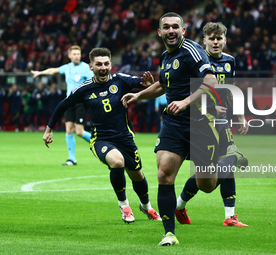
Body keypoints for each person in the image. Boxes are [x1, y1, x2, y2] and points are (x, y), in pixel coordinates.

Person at [122, 12, 228, 246]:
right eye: (166, 27)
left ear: (183, 31)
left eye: (175, 27)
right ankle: (169, 233)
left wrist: (185, 101)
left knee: (206, 185)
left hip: (201, 123)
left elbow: (210, 81)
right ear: (159, 32)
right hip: (174, 123)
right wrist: (138, 95)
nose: (171, 31)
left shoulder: (192, 51)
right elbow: (163, 84)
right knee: (164, 174)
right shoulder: (165, 57)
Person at [43, 47, 161, 223]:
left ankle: (147, 206)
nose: (103, 67)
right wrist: (49, 129)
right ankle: (124, 206)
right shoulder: (83, 89)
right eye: (99, 64)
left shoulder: (120, 80)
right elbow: (63, 105)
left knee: (137, 175)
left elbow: (143, 83)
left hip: (125, 137)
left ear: (111, 65)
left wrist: (149, 82)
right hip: (101, 139)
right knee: (117, 161)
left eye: (106, 64)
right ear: (91, 67)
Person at [175, 22, 249, 228]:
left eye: (219, 38)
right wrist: (208, 107)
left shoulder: (230, 62)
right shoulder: (197, 61)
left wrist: (241, 116)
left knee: (226, 163)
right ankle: (178, 205)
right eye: (211, 38)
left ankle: (230, 216)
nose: (215, 42)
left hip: (222, 122)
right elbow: (188, 92)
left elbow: (230, 90)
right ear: (204, 40)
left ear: (225, 40)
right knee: (207, 174)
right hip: (200, 122)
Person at [31, 45, 93, 166]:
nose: (76, 56)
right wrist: (40, 72)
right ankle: (72, 159)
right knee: (69, 129)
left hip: (81, 102)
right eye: (74, 54)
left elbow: (93, 82)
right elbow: (52, 70)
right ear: (69, 56)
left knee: (79, 131)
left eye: (78, 54)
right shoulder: (67, 67)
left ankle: (100, 143)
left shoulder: (86, 68)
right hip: (69, 102)